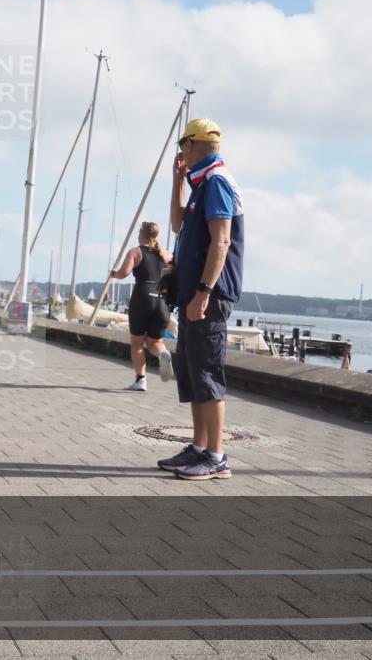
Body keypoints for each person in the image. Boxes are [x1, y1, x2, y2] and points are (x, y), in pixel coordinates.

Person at [157, 118, 244, 481]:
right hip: (194, 292)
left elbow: (221, 242)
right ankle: (198, 447)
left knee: (207, 373)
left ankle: (217, 456)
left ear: (194, 145)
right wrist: (177, 181)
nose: (180, 152)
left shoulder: (218, 182)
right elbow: (177, 225)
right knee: (192, 372)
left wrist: (205, 292)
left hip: (209, 294)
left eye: (183, 145)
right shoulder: (200, 184)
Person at [110, 221, 174, 391]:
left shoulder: (136, 252)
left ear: (142, 234)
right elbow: (171, 278)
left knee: (137, 343)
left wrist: (114, 274)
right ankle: (163, 354)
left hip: (142, 297)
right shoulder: (166, 255)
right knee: (155, 341)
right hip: (162, 299)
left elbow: (124, 273)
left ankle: (141, 380)